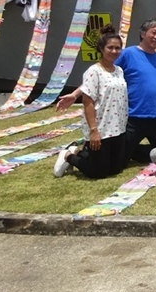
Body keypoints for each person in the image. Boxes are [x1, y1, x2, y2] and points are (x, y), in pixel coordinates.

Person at [58, 19, 156, 167]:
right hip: (132, 119)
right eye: (154, 32)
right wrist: (75, 94)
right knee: (117, 161)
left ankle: (134, 151)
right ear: (142, 34)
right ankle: (77, 154)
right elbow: (103, 71)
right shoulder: (127, 54)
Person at [54, 25, 127, 179]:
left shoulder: (119, 70)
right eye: (110, 47)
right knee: (98, 173)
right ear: (101, 48)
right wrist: (94, 130)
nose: (114, 51)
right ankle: (68, 155)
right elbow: (88, 103)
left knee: (115, 169)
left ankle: (79, 151)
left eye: (118, 48)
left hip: (117, 127)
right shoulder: (94, 71)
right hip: (100, 127)